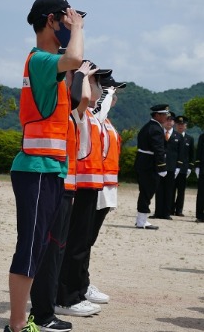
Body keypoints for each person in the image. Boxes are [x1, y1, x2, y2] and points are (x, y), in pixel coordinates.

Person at [4, 0, 85, 332]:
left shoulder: (50, 65)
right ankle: (17, 325)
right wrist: (77, 30)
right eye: (66, 20)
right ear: (51, 20)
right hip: (35, 169)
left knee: (41, 247)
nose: (72, 26)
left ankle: (33, 317)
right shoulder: (39, 60)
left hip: (48, 168)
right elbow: (76, 58)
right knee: (30, 246)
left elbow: (77, 95)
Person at [29, 61, 95, 332]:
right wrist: (77, 73)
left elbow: (86, 97)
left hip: (66, 188)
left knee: (55, 252)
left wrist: (81, 75)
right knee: (47, 252)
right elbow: (81, 96)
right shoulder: (58, 108)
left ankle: (46, 310)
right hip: (54, 186)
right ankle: (42, 313)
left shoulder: (71, 115)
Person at [55, 64, 114, 316]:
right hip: (78, 185)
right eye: (94, 81)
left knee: (81, 243)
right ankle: (66, 297)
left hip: (91, 184)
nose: (97, 86)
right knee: (75, 244)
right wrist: (81, 74)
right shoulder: (75, 111)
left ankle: (77, 292)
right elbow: (83, 98)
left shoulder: (91, 116)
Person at [85, 75, 126, 304]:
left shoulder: (105, 120)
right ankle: (75, 282)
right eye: (110, 89)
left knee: (88, 240)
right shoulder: (94, 116)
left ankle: (80, 280)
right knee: (81, 240)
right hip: (94, 185)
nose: (114, 94)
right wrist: (105, 96)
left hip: (105, 188)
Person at [134, 104, 169, 230]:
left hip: (144, 162)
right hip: (149, 164)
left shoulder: (151, 126)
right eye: (164, 114)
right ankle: (141, 221)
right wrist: (162, 167)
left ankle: (141, 219)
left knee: (145, 191)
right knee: (147, 191)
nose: (166, 116)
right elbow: (158, 149)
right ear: (157, 115)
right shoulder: (155, 128)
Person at [150, 112, 184, 220]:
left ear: (173, 122)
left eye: (171, 120)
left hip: (171, 167)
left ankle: (166, 213)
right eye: (167, 120)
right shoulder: (159, 133)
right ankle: (158, 212)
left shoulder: (178, 136)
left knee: (169, 190)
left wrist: (178, 166)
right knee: (158, 189)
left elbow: (181, 152)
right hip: (160, 166)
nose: (169, 122)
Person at [172, 115, 194, 217]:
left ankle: (179, 210)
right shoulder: (172, 136)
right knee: (171, 189)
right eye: (179, 124)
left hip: (184, 168)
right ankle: (170, 208)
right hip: (172, 167)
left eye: (183, 124)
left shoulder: (189, 139)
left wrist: (190, 167)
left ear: (186, 126)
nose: (181, 126)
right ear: (176, 125)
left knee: (181, 191)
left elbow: (191, 154)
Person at [195, 132, 204, 223]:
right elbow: (199, 151)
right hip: (203, 169)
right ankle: (200, 215)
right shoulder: (202, 136)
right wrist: (197, 165)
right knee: (201, 193)